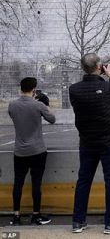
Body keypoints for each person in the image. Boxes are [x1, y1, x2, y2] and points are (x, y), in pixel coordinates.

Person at [69, 53, 110, 234]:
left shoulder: (74, 90)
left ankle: (78, 222)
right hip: (109, 141)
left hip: (87, 141)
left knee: (84, 180)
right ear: (99, 66)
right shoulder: (108, 87)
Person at [8, 77, 56, 226]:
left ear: (21, 88)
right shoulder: (38, 105)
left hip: (20, 151)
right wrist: (45, 105)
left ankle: (16, 216)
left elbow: (16, 116)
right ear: (34, 89)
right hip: (37, 150)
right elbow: (52, 119)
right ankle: (36, 215)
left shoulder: (12, 105)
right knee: (36, 183)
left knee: (18, 183)